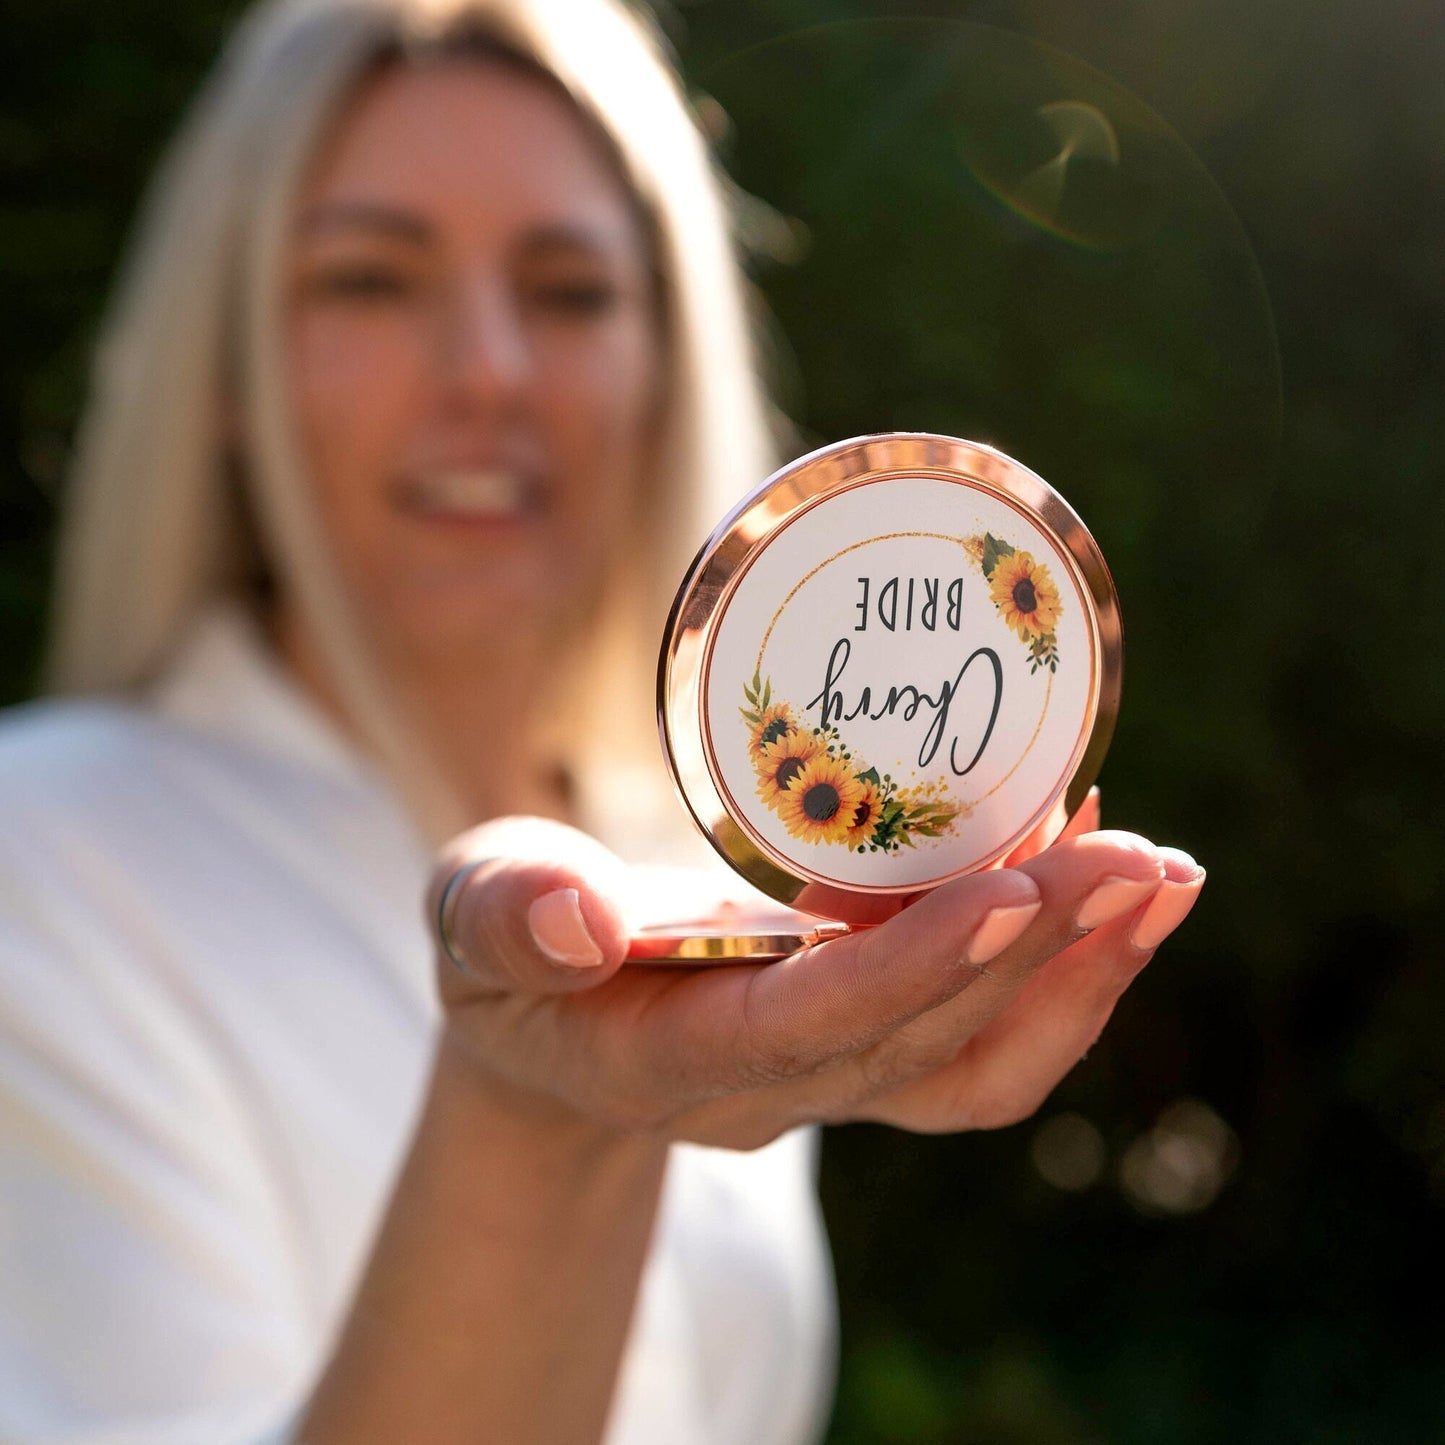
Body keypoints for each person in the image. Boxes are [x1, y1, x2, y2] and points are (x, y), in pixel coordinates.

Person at [0, 0, 1206, 1441]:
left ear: (661, 361)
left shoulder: (734, 881)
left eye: (569, 291)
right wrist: (541, 1114)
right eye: (370, 280)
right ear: (226, 370)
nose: (488, 370)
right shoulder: (44, 857)